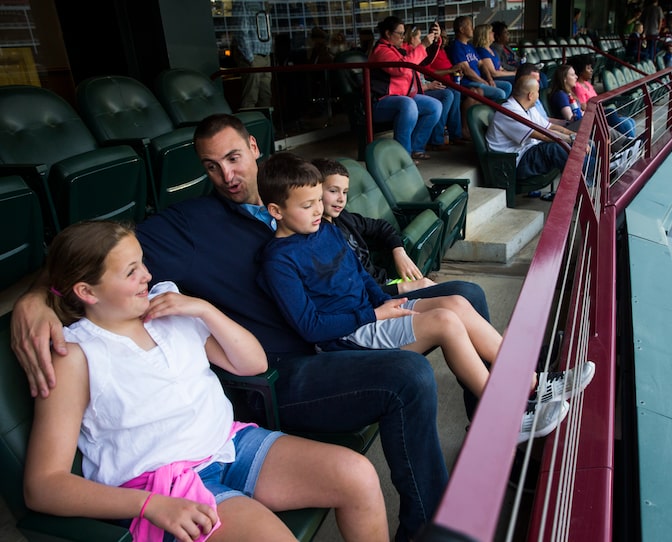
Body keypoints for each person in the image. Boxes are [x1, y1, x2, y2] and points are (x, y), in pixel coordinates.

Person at [10, 113, 491, 542]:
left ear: (256, 148)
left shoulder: (298, 191)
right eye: (211, 166)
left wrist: (388, 291)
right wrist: (33, 299)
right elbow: (88, 259)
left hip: (337, 325)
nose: (227, 175)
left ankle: (499, 422)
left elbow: (358, 234)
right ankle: (430, 525)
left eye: (234, 158)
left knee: (466, 295)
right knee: (406, 379)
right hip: (291, 365)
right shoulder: (191, 226)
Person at [23, 220, 388, 542]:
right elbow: (43, 486)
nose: (146, 276)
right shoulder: (76, 355)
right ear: (87, 292)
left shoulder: (167, 305)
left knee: (357, 475)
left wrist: (203, 309)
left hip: (228, 443)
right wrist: (149, 505)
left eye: (143, 263)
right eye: (131, 271)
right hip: (162, 486)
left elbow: (252, 362)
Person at [254, 153, 595, 443]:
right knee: (445, 322)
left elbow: (358, 275)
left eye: (319, 201)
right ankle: (503, 417)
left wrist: (384, 304)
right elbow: (311, 327)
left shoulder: (325, 229)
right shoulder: (278, 260)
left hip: (373, 313)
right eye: (308, 205)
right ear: (276, 210)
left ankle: (533, 383)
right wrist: (375, 315)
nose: (319, 210)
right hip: (349, 337)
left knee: (457, 303)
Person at [311, 157, 436, 294]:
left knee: (456, 294)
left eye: (345, 192)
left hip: (385, 284)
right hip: (374, 297)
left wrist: (399, 251)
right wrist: (403, 288)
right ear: (315, 192)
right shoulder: (318, 237)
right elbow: (349, 292)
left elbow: (381, 226)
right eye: (333, 191)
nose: (341, 199)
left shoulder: (342, 218)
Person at [368, 16, 442, 161]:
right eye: (400, 33)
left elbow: (422, 59)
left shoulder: (398, 49)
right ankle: (403, 156)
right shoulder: (381, 51)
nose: (403, 37)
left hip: (403, 97)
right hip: (380, 102)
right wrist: (423, 46)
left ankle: (416, 148)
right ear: (388, 34)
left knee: (434, 106)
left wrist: (434, 41)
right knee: (408, 105)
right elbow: (401, 68)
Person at [485, 75, 575, 192]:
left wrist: (573, 135)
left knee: (569, 146)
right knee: (555, 149)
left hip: (527, 154)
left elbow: (550, 128)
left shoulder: (529, 108)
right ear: (530, 95)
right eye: (537, 92)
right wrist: (572, 140)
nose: (538, 95)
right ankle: (591, 177)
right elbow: (543, 135)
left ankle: (594, 171)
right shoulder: (509, 111)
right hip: (514, 163)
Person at [402, 24, 456, 152]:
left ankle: (437, 138)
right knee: (443, 98)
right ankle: (428, 143)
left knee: (450, 93)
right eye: (419, 38)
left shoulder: (416, 51)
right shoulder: (407, 51)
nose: (421, 41)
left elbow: (427, 59)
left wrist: (436, 41)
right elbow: (409, 81)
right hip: (412, 93)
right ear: (411, 38)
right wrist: (428, 86)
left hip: (422, 88)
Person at [569, 54, 636, 138]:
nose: (591, 70)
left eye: (591, 67)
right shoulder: (577, 87)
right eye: (588, 68)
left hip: (600, 112)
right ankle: (632, 144)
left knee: (630, 121)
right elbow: (585, 107)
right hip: (594, 117)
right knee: (623, 121)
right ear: (581, 70)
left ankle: (633, 144)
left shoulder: (587, 84)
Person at [448, 16, 511, 101]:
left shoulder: (470, 46)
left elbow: (481, 64)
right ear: (462, 29)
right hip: (468, 83)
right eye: (470, 26)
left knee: (507, 86)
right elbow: (466, 70)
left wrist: (489, 79)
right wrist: (482, 81)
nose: (473, 29)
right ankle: (496, 113)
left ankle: (495, 109)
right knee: (500, 93)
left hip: (480, 80)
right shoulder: (457, 47)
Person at [233, 0, 273, 109]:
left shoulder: (263, 4)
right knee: (251, 97)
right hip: (253, 56)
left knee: (265, 96)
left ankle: (267, 124)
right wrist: (250, 58)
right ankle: (249, 124)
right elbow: (240, 32)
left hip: (265, 54)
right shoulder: (243, 3)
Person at [473, 24, 514, 89]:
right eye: (490, 32)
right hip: (494, 79)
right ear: (485, 35)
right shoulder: (481, 51)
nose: (493, 33)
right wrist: (514, 73)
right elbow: (493, 73)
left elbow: (501, 68)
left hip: (500, 76)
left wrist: (512, 73)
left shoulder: (491, 49)